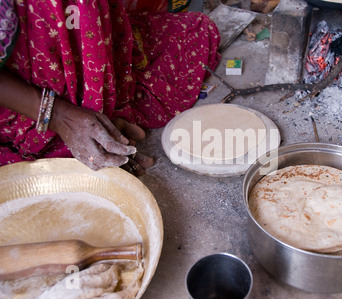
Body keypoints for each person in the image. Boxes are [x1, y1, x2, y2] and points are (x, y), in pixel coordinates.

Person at [0, 0, 221, 176]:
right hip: (24, 87)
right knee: (49, 179)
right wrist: (58, 115)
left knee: (195, 33)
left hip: (87, 39)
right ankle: (79, 129)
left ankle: (103, 109)